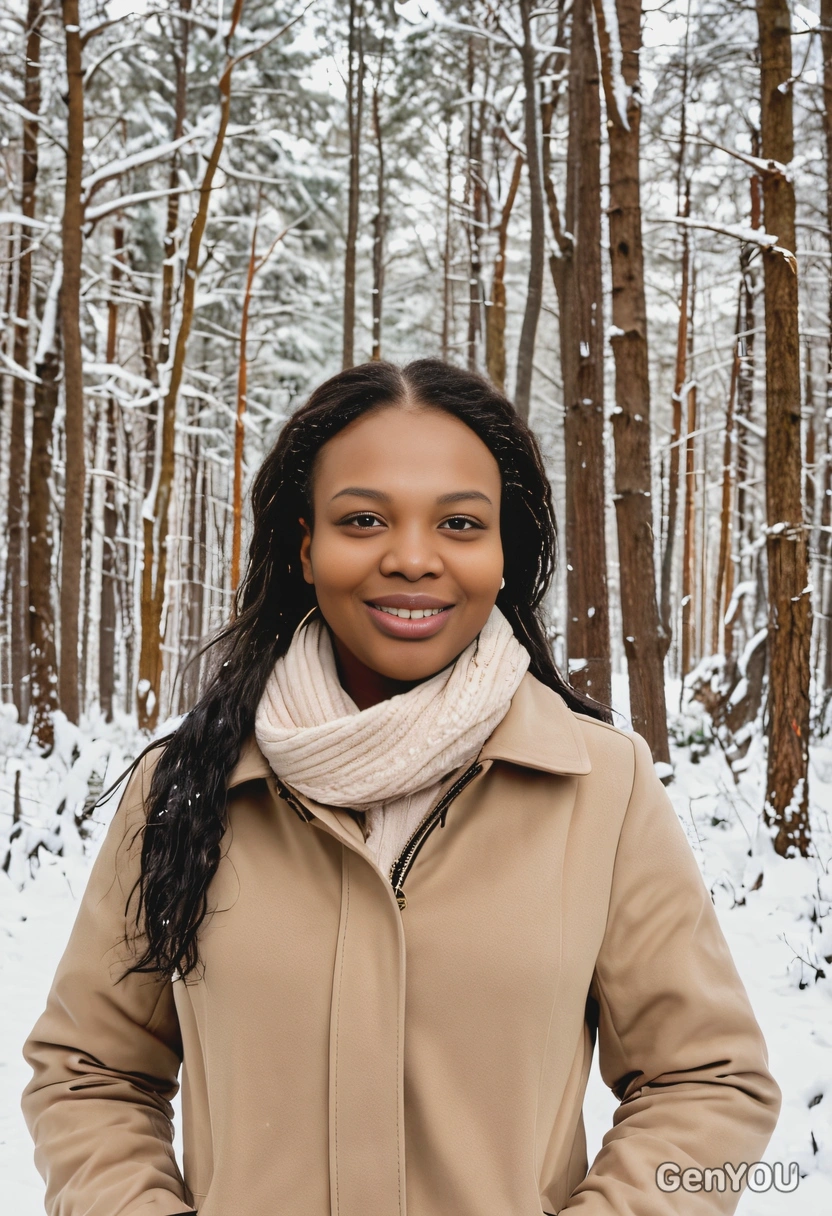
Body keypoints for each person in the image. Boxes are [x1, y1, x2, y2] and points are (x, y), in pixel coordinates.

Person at [21, 359, 780, 1216]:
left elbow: (710, 1081)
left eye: (459, 523)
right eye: (365, 519)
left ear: (504, 555)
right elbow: (91, 1072)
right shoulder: (187, 785)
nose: (412, 558)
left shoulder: (599, 785)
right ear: (305, 546)